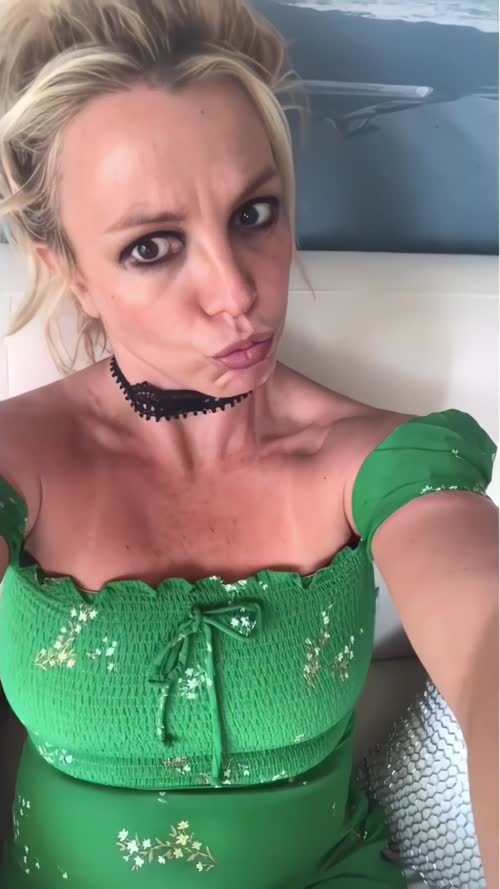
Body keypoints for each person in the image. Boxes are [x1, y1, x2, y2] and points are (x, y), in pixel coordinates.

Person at [0, 1, 497, 887]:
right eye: (152, 247)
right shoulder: (20, 459)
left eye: (254, 213)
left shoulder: (374, 462)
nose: (237, 292)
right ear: (66, 266)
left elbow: (488, 637)